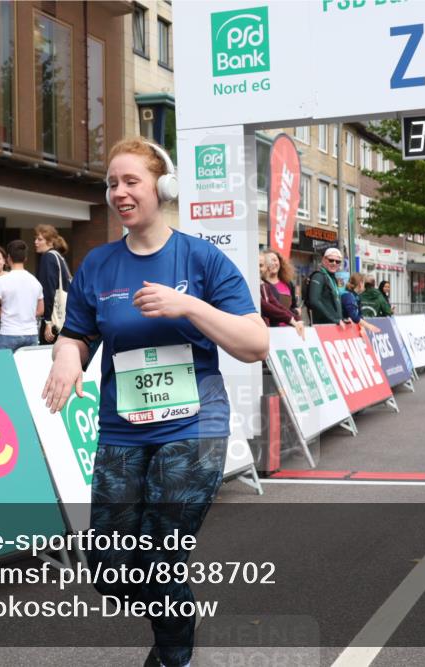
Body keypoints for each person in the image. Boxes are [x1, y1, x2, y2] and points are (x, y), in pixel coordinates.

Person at [41, 138, 267, 667]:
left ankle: (171, 654)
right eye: (112, 184)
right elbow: (76, 335)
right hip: (123, 429)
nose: (119, 193)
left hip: (193, 426)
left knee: (158, 555)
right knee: (107, 567)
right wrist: (67, 357)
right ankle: (178, 621)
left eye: (131, 181)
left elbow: (255, 344)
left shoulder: (201, 258)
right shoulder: (98, 265)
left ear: (162, 188)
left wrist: (188, 306)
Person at [0, 240, 43, 352]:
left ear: (8, 258)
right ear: (25, 258)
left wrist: (7, 313)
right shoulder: (35, 281)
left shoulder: (2, 280)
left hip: (8, 332)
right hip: (31, 333)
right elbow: (40, 310)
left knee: (3, 363)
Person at [33, 224, 73, 344]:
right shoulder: (59, 257)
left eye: (40, 239)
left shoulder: (48, 257)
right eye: (35, 239)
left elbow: (48, 291)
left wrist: (48, 321)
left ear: (50, 242)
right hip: (63, 318)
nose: (35, 242)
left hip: (53, 322)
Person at [259, 252, 305, 337]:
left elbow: (278, 305)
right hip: (267, 330)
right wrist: (293, 318)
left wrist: (297, 319)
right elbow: (268, 307)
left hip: (286, 329)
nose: (273, 263)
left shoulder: (266, 285)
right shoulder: (259, 284)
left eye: (261, 265)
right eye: (270, 261)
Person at [307, 247, 344, 324]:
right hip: (323, 325)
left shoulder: (332, 278)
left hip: (334, 324)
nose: (334, 263)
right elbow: (314, 301)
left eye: (337, 261)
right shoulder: (318, 276)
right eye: (331, 260)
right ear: (324, 260)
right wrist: (333, 319)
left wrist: (343, 319)